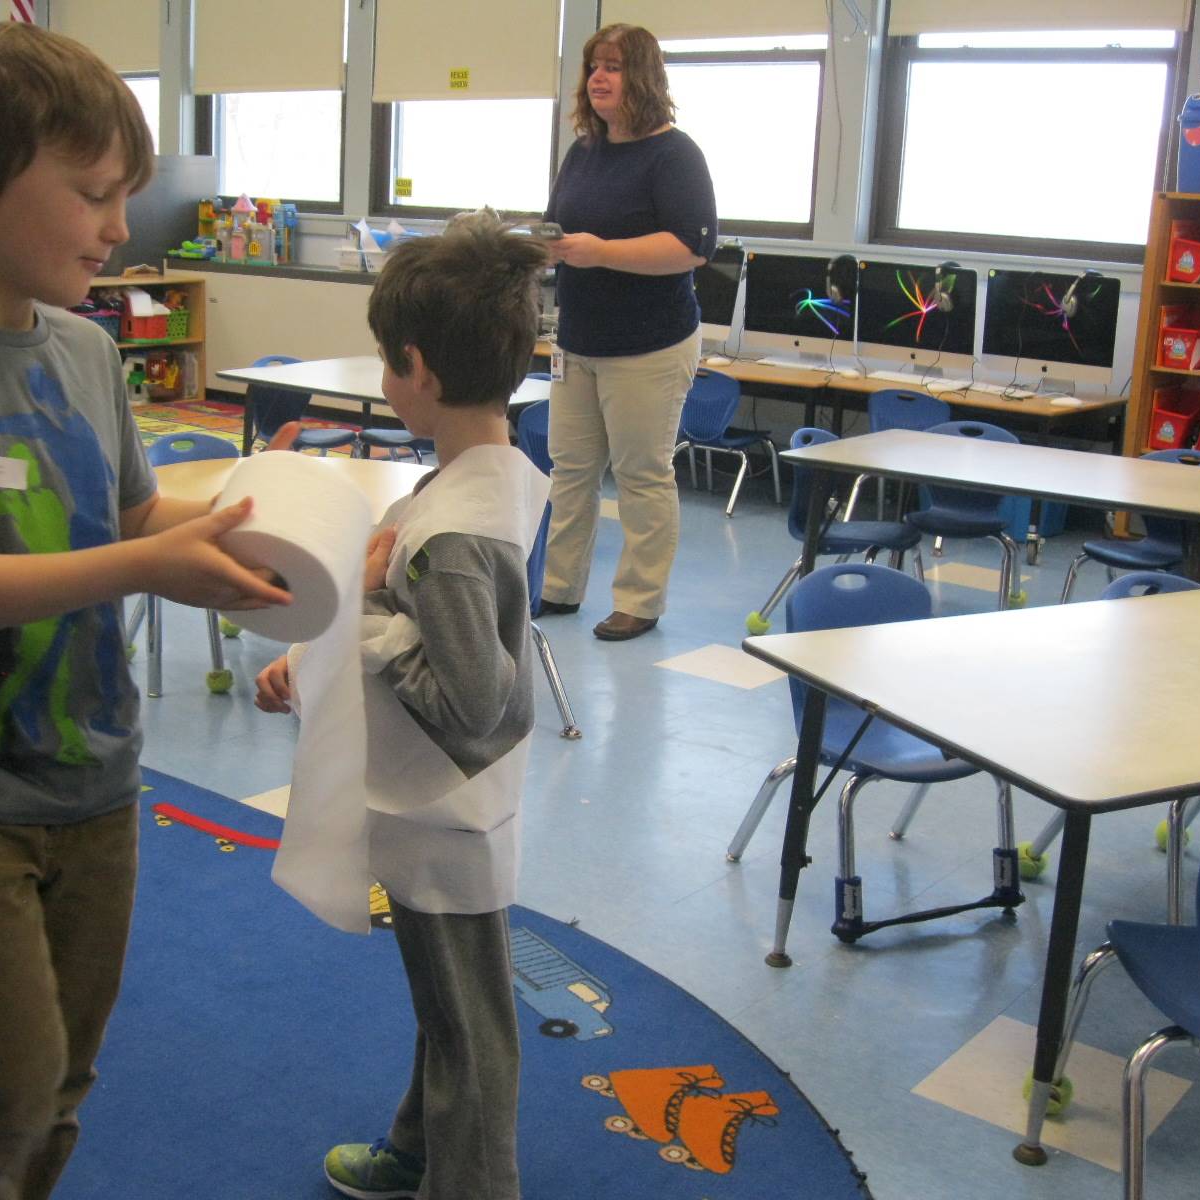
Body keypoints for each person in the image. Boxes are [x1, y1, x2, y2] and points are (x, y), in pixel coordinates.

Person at [0, 23, 292, 1200]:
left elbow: (132, 520)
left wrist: (267, 529)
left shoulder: (87, 352)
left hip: (94, 776)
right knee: (9, 1080)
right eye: (91, 195)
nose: (116, 227)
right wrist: (139, 568)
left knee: (64, 1081)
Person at [254, 211, 550, 1200]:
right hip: (443, 810)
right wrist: (331, 650)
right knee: (448, 1007)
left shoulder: (457, 530)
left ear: (415, 367)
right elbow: (432, 633)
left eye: (387, 361)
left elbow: (481, 706)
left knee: (470, 1027)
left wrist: (363, 636)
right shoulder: (486, 473)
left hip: (447, 815)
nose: (385, 378)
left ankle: (472, 1184)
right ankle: (418, 1149)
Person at [538, 22, 717, 641]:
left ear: (640, 77)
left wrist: (601, 251)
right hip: (578, 339)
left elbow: (692, 248)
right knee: (570, 469)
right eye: (593, 66)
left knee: (642, 473)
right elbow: (563, 226)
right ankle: (559, 588)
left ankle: (640, 601)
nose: (599, 78)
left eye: (613, 66)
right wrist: (547, 247)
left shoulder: (675, 154)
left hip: (650, 344)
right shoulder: (583, 151)